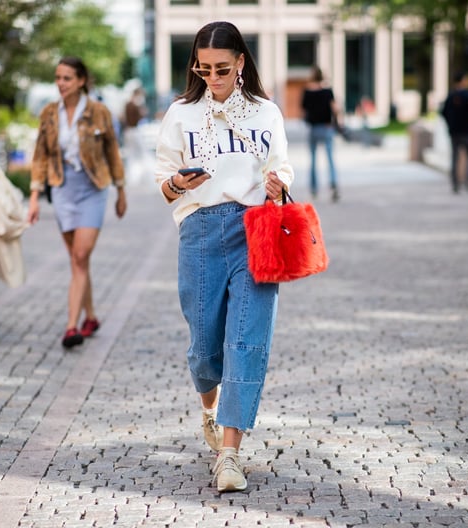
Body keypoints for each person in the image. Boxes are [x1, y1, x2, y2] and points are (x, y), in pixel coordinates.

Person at [154, 21, 294, 493]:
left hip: (255, 229)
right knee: (204, 350)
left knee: (246, 344)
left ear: (240, 63)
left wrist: (278, 185)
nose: (212, 78)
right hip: (199, 229)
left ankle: (230, 456)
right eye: (204, 68)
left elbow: (281, 165)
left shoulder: (264, 112)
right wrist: (179, 183)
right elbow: (163, 178)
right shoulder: (181, 114)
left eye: (221, 68)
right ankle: (209, 410)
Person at [27, 56, 127, 349]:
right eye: (58, 78)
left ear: (81, 80)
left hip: (93, 187)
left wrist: (121, 191)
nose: (61, 83)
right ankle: (91, 316)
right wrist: (34, 197)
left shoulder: (99, 113)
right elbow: (40, 156)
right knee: (77, 259)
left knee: (80, 256)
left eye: (67, 78)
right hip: (62, 188)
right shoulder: (48, 113)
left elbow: (112, 153)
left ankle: (71, 327)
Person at [301, 65, 340, 201]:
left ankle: (314, 189)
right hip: (327, 127)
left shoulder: (307, 91)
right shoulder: (328, 91)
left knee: (313, 160)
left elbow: (304, 110)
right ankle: (333, 185)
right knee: (330, 158)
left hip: (313, 128)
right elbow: (335, 109)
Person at [442, 71, 468, 193]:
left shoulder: (451, 95)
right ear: (462, 80)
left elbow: (443, 112)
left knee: (455, 158)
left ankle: (455, 183)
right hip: (467, 131)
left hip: (454, 132)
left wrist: (450, 124)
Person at [123, 86, 149, 185]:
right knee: (140, 154)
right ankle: (138, 176)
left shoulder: (127, 104)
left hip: (128, 131)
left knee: (132, 154)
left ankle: (134, 176)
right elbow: (137, 118)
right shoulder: (134, 105)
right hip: (134, 131)